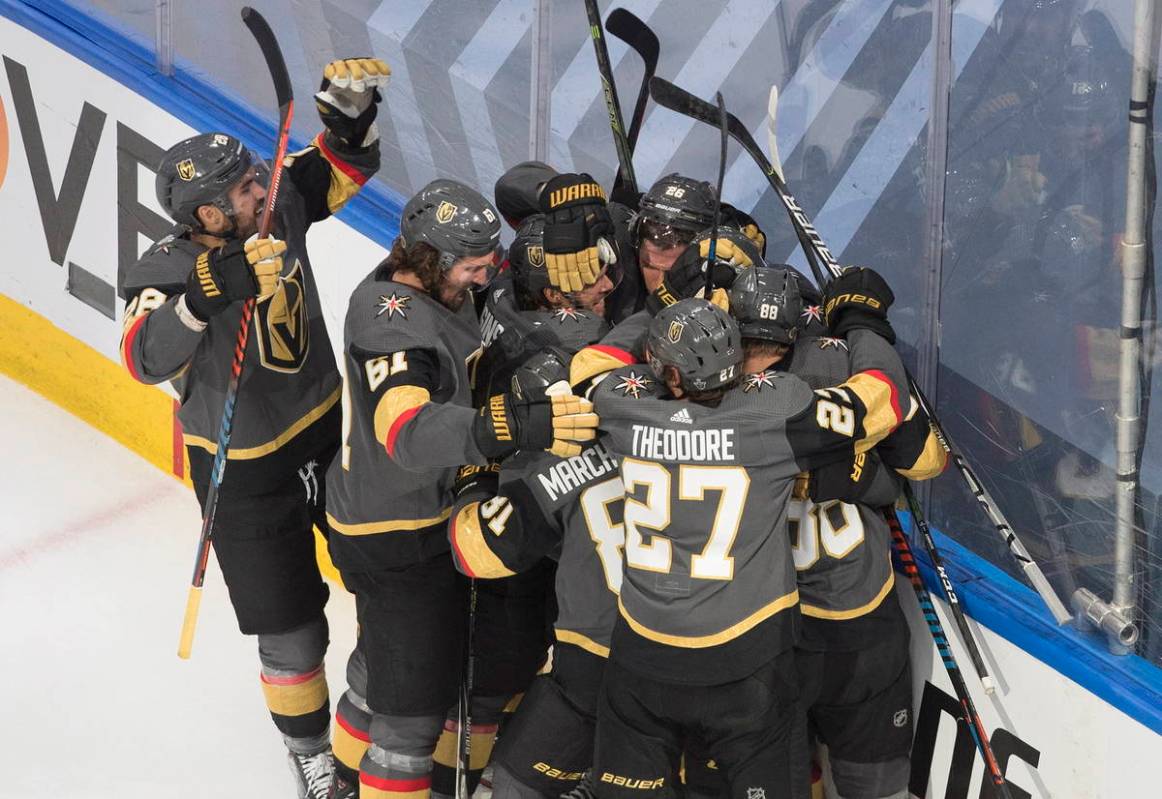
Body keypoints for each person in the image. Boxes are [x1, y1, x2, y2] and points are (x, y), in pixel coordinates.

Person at [118, 57, 389, 798]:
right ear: (207, 214)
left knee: (386, 583)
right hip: (241, 469)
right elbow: (141, 357)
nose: (260, 191)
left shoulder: (275, 212)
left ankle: (383, 719)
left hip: (328, 432)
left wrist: (352, 115)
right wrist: (203, 300)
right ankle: (311, 754)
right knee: (292, 625)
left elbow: (340, 168)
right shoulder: (166, 267)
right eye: (243, 189)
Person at [589, 268, 908, 799]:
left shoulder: (619, 410)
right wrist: (865, 323)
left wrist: (663, 303)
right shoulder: (776, 409)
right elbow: (883, 399)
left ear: (668, 376)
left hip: (640, 659)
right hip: (745, 661)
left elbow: (592, 368)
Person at [324, 178, 598, 798]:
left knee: (382, 671)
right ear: (432, 260)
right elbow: (407, 431)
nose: (483, 278)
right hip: (396, 534)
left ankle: (341, 781)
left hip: (395, 517)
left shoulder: (420, 282)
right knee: (410, 721)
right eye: (473, 268)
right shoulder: (392, 322)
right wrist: (507, 426)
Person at [728, 264, 946, 799]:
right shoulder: (846, 361)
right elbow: (924, 459)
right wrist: (866, 329)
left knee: (812, 774)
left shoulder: (703, 381)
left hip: (771, 626)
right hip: (837, 620)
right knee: (855, 779)